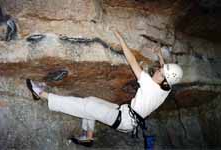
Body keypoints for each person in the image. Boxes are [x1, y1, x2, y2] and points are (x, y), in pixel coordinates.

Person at [26, 30, 183, 147]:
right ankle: (88, 137)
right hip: (125, 113)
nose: (157, 70)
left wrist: (120, 38)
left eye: (160, 72)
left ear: (164, 80)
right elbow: (165, 69)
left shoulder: (150, 85)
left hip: (125, 120)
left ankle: (41, 94)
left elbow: (132, 61)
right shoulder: (166, 88)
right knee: (91, 101)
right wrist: (160, 55)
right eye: (160, 69)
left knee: (86, 106)